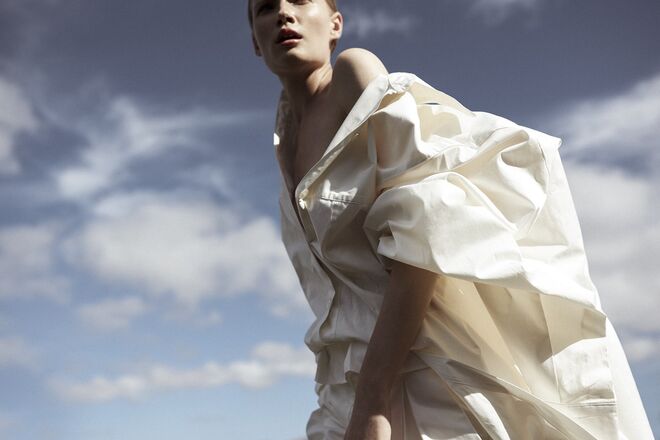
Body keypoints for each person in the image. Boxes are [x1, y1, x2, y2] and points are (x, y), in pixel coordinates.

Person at [247, 1, 654, 439]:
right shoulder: (284, 139)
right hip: (343, 396)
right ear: (254, 40)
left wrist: (373, 403)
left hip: (423, 382)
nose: (284, 13)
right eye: (266, 7)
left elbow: (428, 228)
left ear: (335, 24)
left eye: (301, 0)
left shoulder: (353, 75)